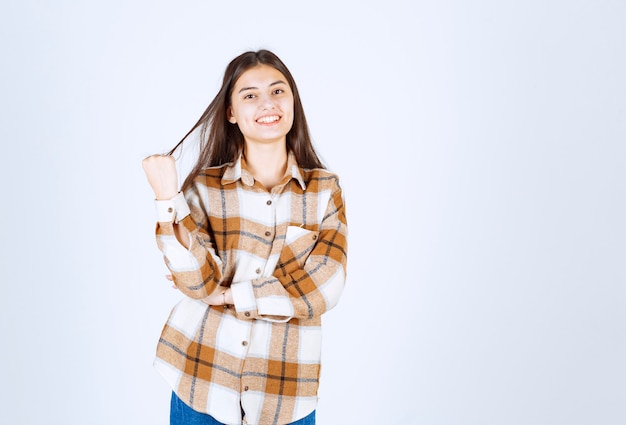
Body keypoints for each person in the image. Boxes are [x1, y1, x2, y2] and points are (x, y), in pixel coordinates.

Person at [142, 49, 348, 425]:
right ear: (231, 113)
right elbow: (196, 280)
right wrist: (166, 198)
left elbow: (324, 288)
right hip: (201, 379)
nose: (267, 104)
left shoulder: (324, 191)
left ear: (293, 102)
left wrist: (226, 294)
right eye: (250, 95)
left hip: (285, 393)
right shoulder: (204, 188)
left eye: (277, 91)